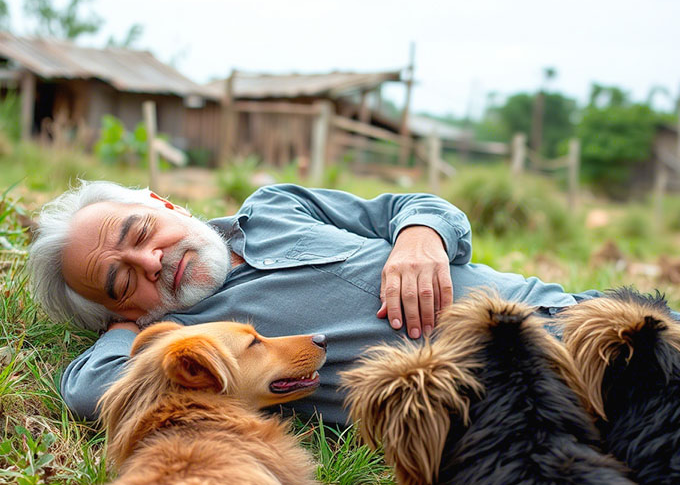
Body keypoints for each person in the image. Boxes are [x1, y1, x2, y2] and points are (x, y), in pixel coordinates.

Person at [28, 180, 593, 425]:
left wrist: (421, 235)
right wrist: (128, 329)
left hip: (580, 316)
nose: (151, 261)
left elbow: (415, 204)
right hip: (524, 400)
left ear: (162, 203)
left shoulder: (274, 207)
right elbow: (88, 391)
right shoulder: (197, 344)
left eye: (141, 231)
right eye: (123, 281)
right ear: (121, 311)